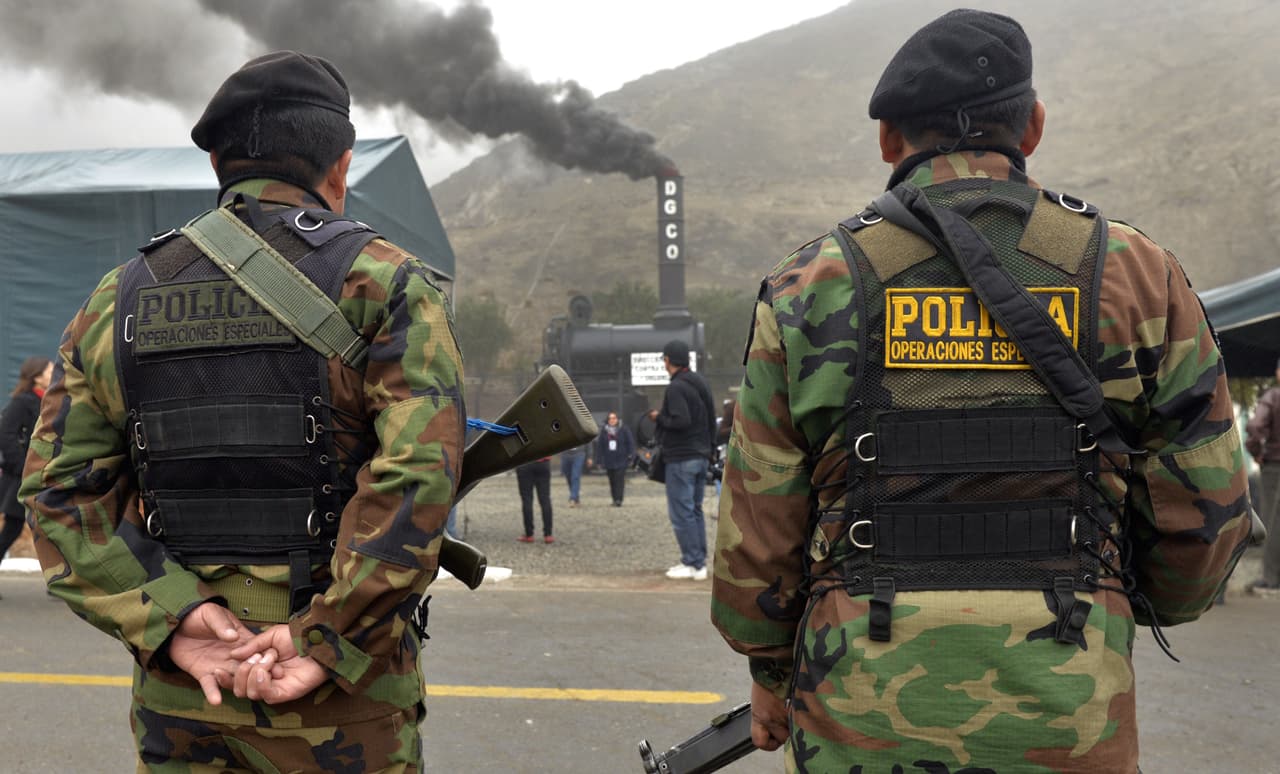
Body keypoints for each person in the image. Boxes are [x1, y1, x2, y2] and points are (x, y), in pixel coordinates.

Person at [711, 10, 1253, 772]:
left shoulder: (812, 283)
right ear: (1031, 127)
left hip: (865, 724)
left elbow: (755, 542)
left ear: (888, 141)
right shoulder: (1135, 274)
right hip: (1069, 717)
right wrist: (1119, 606)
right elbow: (1207, 517)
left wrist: (771, 671)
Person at [21, 51, 465, 772]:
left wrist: (174, 617)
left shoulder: (118, 298)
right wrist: (327, 636)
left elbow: (58, 495)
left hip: (188, 697)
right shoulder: (385, 283)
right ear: (340, 168)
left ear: (219, 163)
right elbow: (419, 480)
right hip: (344, 703)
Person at [656, 340, 717, 580]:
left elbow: (681, 421)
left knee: (681, 512)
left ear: (668, 360)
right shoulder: (700, 382)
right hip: (701, 455)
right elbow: (711, 418)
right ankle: (699, 562)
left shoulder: (676, 388)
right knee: (695, 510)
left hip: (681, 457)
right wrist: (710, 448)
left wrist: (659, 418)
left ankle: (692, 562)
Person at [0, 357, 53, 572]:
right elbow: (6, 434)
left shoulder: (50, 401)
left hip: (44, 478)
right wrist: (23, 466)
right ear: (37, 377)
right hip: (21, 480)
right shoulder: (23, 401)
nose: (53, 374)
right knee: (12, 529)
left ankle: (60, 579)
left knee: (53, 530)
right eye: (49, 371)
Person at [1246, 359, 1280, 593]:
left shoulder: (1274, 396)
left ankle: (1271, 578)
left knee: (1272, 521)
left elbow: (1256, 425)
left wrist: (1256, 452)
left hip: (1275, 466)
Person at [596, 411, 637, 506]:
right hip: (609, 459)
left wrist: (632, 455)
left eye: (614, 418)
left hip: (621, 459)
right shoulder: (604, 431)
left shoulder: (624, 429)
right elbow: (600, 446)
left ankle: (619, 499)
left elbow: (630, 443)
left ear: (617, 419)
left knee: (619, 480)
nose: (612, 420)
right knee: (612, 480)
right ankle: (614, 499)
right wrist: (598, 460)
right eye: (610, 418)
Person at [515, 457, 555, 544]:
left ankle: (529, 534)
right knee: (545, 498)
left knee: (527, 499)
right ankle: (548, 534)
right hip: (543, 462)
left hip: (524, 463)